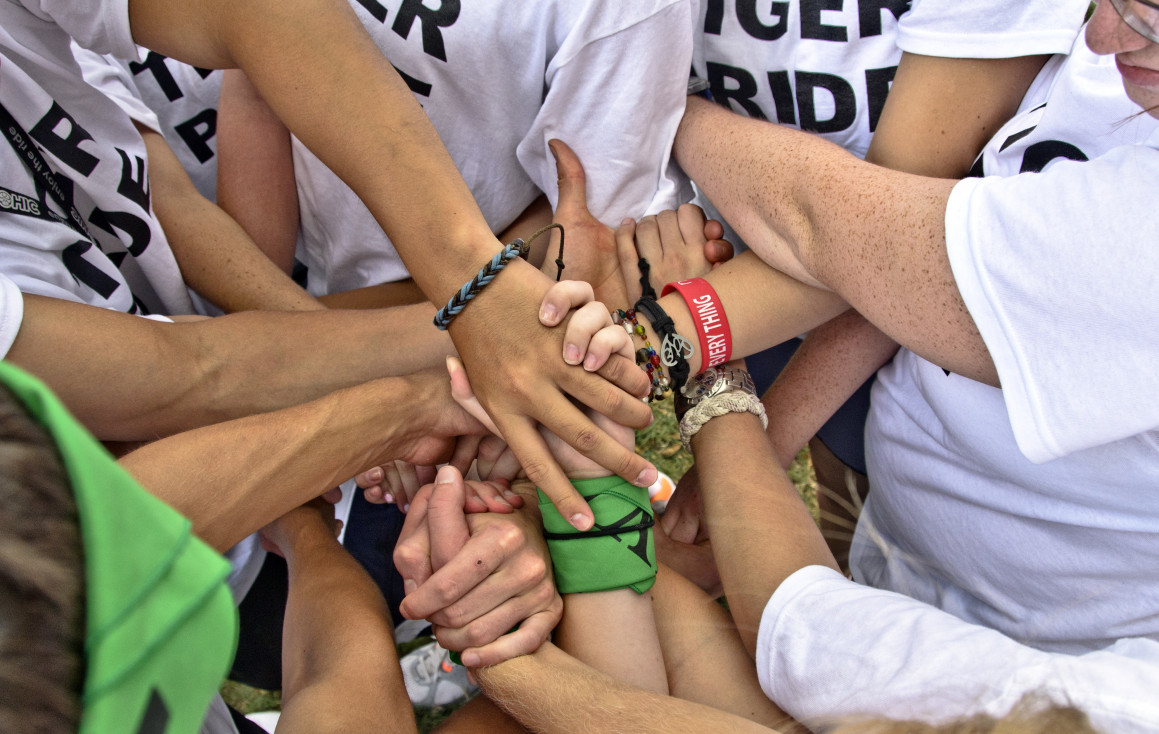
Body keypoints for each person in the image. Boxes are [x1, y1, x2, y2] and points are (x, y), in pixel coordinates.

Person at [0, 0, 658, 531]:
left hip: (242, 354)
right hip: (122, 514)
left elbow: (169, 198)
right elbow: (186, 374)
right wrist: (485, 324)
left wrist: (483, 291)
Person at [656, 0, 1159, 654]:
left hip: (1042, 651)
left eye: (1146, 20)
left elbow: (841, 232)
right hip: (893, 541)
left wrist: (659, 104)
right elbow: (893, 278)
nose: (1095, 34)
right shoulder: (1114, 71)